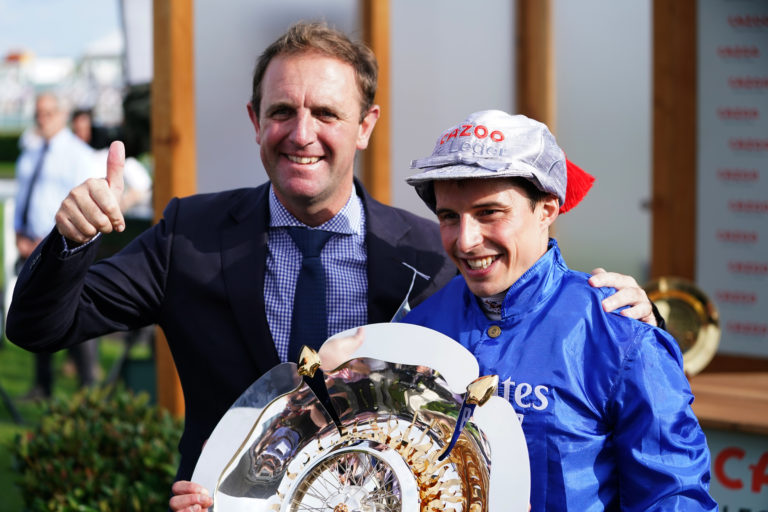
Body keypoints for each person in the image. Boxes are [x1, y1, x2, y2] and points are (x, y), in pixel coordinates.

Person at [7, 23, 656, 505]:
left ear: (366, 124)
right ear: (254, 120)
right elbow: (36, 328)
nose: (302, 132)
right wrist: (69, 240)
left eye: (326, 112)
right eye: (282, 111)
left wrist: (615, 310)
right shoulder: (189, 234)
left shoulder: (433, 250)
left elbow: (531, 321)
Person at [399, 110, 716, 510]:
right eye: (449, 216)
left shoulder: (621, 332)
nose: (466, 240)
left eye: (489, 213)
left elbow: (673, 496)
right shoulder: (416, 331)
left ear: (547, 210)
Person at [13, 93, 101, 399]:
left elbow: (85, 205)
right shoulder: (32, 152)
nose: (43, 119)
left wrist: (51, 241)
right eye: (38, 113)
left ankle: (88, 388)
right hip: (31, 246)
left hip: (65, 249)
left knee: (75, 313)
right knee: (39, 316)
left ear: (62, 115)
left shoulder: (77, 154)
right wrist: (19, 233)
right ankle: (43, 385)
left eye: (49, 113)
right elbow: (23, 195)